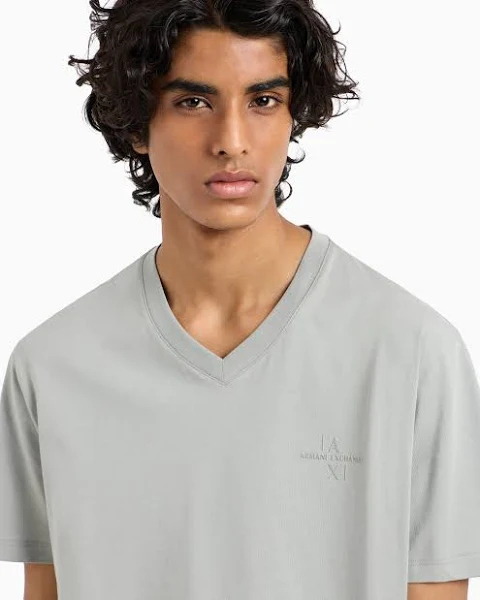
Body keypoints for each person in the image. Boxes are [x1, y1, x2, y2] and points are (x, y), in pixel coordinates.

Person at [1, 1, 479, 599]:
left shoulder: (412, 353)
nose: (231, 141)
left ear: (293, 115)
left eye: (263, 100)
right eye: (193, 102)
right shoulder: (52, 367)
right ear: (136, 125)